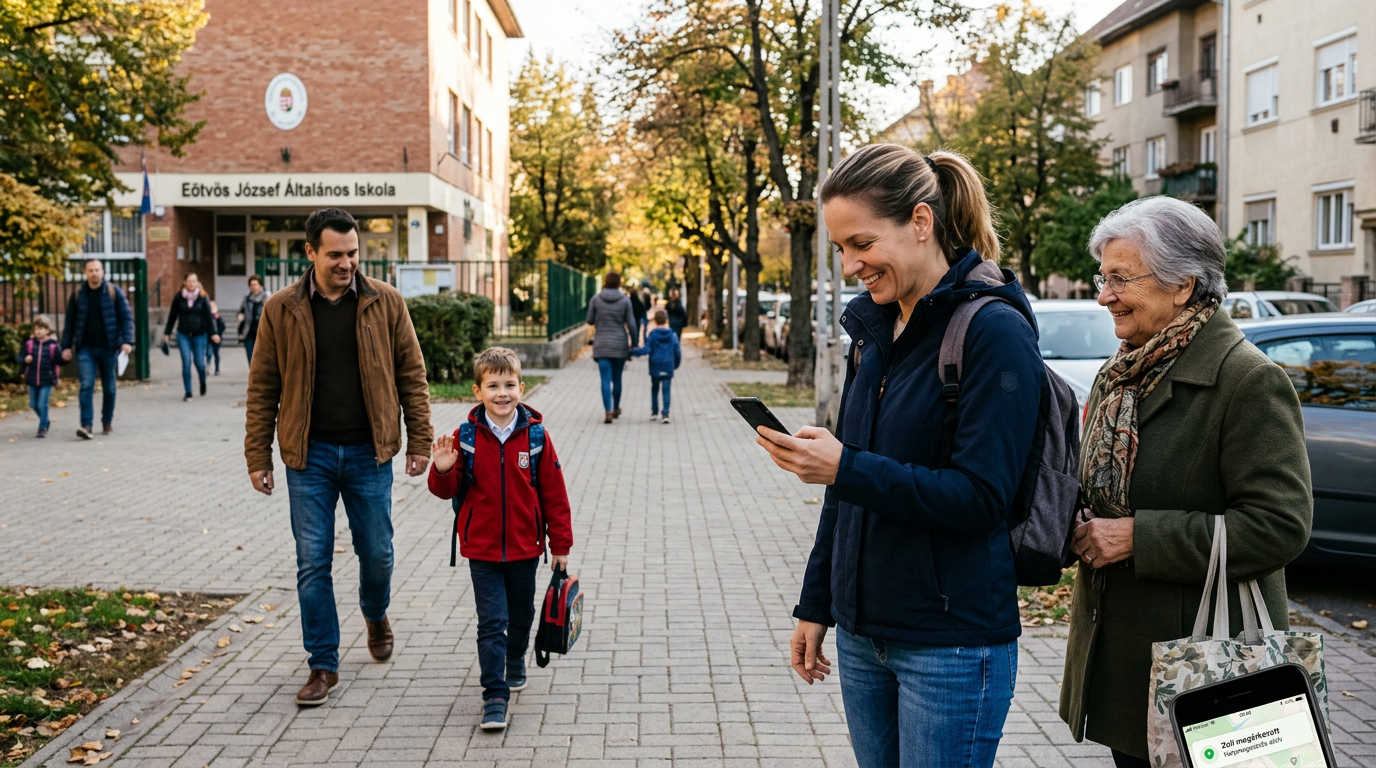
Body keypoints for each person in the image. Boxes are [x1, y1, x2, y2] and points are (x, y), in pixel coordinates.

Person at [757, 145, 1041, 768]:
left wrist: (845, 467)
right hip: (863, 636)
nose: (850, 264)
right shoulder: (876, 334)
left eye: (861, 242)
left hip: (950, 645)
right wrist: (816, 604)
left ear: (920, 221)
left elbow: (982, 498)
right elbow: (846, 488)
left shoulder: (993, 331)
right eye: (839, 248)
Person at [1058, 197, 1313, 767]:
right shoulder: (1125, 372)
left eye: (1120, 278)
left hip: (1210, 670)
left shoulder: (1247, 380)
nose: (1104, 296)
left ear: (1183, 285)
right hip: (1127, 661)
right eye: (1103, 277)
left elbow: (1280, 527)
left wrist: (1137, 537)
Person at [244, 207, 433, 707]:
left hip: (370, 453)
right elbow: (263, 385)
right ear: (310, 253)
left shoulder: (385, 302)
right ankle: (322, 664)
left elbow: (412, 376)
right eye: (335, 254)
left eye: (353, 253)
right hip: (309, 457)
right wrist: (257, 455)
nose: (347, 262)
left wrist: (420, 442)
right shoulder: (281, 309)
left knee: (378, 552)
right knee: (313, 562)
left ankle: (375, 613)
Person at [427, 347, 574, 731]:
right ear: (478, 391)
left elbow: (555, 495)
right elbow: (447, 489)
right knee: (492, 621)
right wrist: (443, 470)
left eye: (509, 384)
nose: (502, 393)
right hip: (483, 549)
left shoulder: (537, 437)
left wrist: (561, 545)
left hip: (527, 547)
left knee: (521, 614)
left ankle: (515, 657)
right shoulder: (467, 437)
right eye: (493, 385)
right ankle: (494, 695)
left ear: (522, 388)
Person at [60, 258, 135, 440]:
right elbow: (70, 322)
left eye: (97, 270)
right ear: (85, 273)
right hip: (85, 348)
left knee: (109, 387)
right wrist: (66, 346)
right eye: (91, 270)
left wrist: (127, 341)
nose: (94, 273)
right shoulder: (78, 294)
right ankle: (86, 425)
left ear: (103, 272)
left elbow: (126, 317)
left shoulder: (113, 292)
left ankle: (107, 420)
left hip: (109, 347)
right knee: (86, 385)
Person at [586, 271, 636, 424]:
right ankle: (616, 408)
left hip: (601, 344)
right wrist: (634, 343)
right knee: (617, 378)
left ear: (605, 282)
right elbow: (632, 324)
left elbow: (589, 320)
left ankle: (607, 411)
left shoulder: (596, 299)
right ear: (619, 283)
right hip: (619, 345)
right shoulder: (625, 300)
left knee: (605, 380)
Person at [163, 274, 218, 402]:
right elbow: (172, 316)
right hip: (183, 335)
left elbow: (209, 318)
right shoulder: (178, 297)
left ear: (197, 282)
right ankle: (188, 392)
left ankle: (202, 381)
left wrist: (214, 333)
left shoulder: (203, 297)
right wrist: (167, 333)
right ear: (185, 282)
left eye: (194, 281)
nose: (192, 284)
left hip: (200, 335)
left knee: (199, 363)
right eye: (189, 281)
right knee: (186, 362)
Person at [631, 309, 681, 423]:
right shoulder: (672, 335)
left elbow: (647, 349)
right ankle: (665, 413)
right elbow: (677, 351)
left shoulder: (653, 335)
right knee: (666, 389)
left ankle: (654, 412)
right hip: (668, 364)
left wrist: (633, 352)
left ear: (655, 321)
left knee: (655, 388)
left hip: (655, 364)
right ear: (666, 320)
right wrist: (676, 364)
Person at [19, 317, 62, 438]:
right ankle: (45, 419)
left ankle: (42, 427)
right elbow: (20, 357)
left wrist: (57, 376)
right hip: (32, 379)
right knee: (33, 404)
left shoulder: (53, 345)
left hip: (47, 379)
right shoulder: (29, 344)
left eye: (41, 329)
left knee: (42, 404)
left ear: (47, 330)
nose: (38, 331)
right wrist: (25, 359)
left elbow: (58, 362)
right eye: (36, 329)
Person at [237, 275, 270, 366]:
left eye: (255, 284)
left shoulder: (267, 298)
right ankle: (254, 378)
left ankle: (261, 377)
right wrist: (240, 315)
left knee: (262, 356)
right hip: (249, 331)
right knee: (250, 356)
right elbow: (241, 310)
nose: (253, 287)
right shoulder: (247, 298)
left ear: (260, 286)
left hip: (263, 332)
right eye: (251, 285)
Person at [206, 300, 226, 376]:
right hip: (209, 338)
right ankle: (208, 366)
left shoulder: (218, 316)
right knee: (208, 353)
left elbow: (222, 326)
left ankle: (217, 368)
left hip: (217, 339)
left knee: (216, 354)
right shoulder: (207, 316)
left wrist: (218, 335)